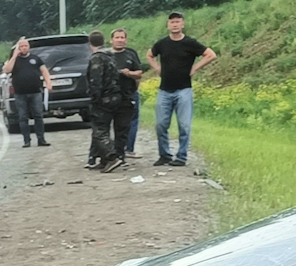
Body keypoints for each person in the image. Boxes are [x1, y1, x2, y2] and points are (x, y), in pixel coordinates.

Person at [147, 12, 216, 166]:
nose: (175, 25)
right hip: (164, 90)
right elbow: (149, 55)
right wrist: (157, 68)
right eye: (172, 22)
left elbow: (211, 54)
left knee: (184, 125)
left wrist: (196, 67)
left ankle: (181, 156)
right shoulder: (162, 43)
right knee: (160, 125)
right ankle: (164, 154)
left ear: (183, 24)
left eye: (178, 22)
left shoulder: (190, 43)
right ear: (168, 25)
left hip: (184, 90)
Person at [84, 31, 127, 173]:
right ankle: (103, 160)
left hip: (103, 99)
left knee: (99, 131)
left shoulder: (97, 58)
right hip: (115, 96)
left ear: (90, 43)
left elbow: (96, 81)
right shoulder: (110, 56)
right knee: (105, 129)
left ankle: (111, 157)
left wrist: (94, 98)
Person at [3, 36, 53, 147]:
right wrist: (14, 56)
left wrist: (48, 82)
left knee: (38, 115)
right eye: (21, 46)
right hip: (20, 93)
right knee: (22, 117)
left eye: (25, 46)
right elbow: (7, 70)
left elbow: (44, 71)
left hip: (35, 92)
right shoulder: (14, 60)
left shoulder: (36, 59)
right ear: (18, 48)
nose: (23, 48)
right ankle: (27, 140)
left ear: (29, 47)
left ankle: (41, 139)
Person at [109, 28, 145, 157]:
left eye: (122, 38)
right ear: (111, 40)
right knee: (112, 123)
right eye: (117, 38)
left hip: (129, 94)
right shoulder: (106, 55)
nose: (120, 40)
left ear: (126, 40)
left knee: (130, 122)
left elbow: (139, 73)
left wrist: (129, 73)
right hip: (111, 95)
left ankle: (129, 149)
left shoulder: (131, 54)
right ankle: (112, 151)